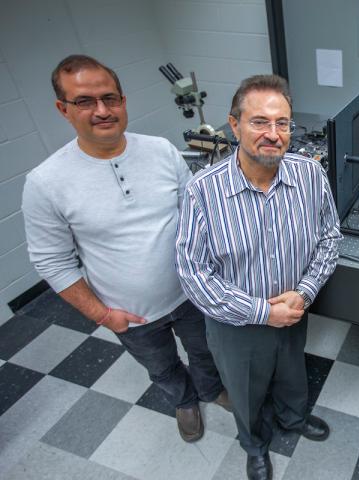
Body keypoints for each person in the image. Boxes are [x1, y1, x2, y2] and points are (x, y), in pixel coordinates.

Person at [22, 54, 230, 443]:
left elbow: (196, 215)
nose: (102, 110)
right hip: (130, 315)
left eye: (110, 98)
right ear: (62, 109)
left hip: (193, 296)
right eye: (85, 101)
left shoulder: (162, 150)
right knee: (163, 367)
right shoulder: (46, 182)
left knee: (205, 353)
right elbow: (52, 261)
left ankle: (208, 389)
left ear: (123, 101)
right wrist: (103, 315)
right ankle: (184, 401)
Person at [175, 74, 341, 480]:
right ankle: (254, 445)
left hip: (293, 308)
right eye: (259, 122)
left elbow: (330, 238)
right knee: (245, 391)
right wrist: (260, 312)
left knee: (292, 372)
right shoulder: (203, 191)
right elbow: (192, 272)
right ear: (234, 125)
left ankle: (293, 417)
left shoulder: (310, 176)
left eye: (282, 123)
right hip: (236, 324)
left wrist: (303, 293)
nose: (273, 134)